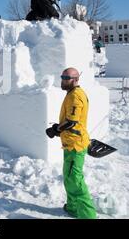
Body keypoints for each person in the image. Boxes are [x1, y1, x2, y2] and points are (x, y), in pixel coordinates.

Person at [45, 68, 97, 219]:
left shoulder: (75, 97)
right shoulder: (71, 94)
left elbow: (71, 122)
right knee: (68, 177)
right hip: (69, 143)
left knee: (75, 179)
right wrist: (58, 130)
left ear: (75, 79)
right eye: (62, 77)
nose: (63, 80)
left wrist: (55, 129)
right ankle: (73, 208)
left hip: (76, 145)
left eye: (66, 78)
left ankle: (89, 215)